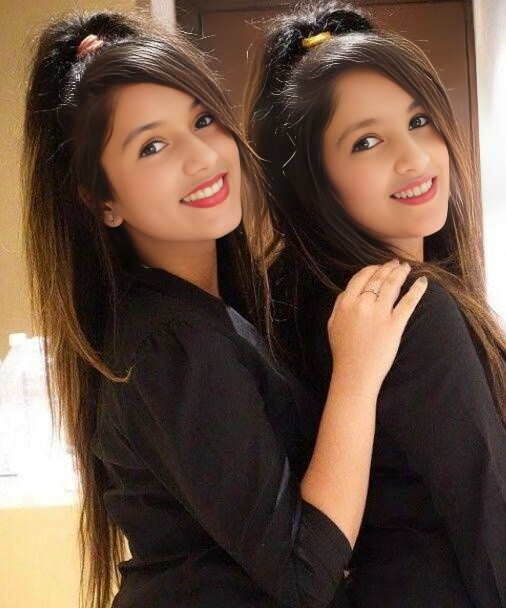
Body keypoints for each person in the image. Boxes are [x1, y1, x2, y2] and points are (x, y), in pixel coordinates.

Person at [21, 11, 429, 608]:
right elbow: (303, 575)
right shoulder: (173, 341)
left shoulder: (213, 314)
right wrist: (356, 375)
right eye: (153, 146)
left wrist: (481, 458)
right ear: (102, 201)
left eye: (203, 120)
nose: (202, 158)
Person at [244, 2, 506, 606]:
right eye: (367, 141)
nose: (416, 158)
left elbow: (395, 480)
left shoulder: (309, 297)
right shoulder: (406, 307)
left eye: (420, 120)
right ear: (314, 179)